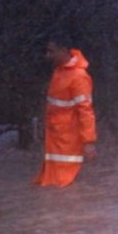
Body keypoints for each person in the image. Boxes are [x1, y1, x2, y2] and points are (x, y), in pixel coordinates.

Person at [34, 36, 97, 188]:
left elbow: (85, 111)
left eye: (51, 52)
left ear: (63, 50)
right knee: (53, 186)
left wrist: (88, 142)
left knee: (65, 187)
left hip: (68, 140)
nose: (48, 56)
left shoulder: (78, 77)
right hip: (56, 136)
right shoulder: (60, 72)